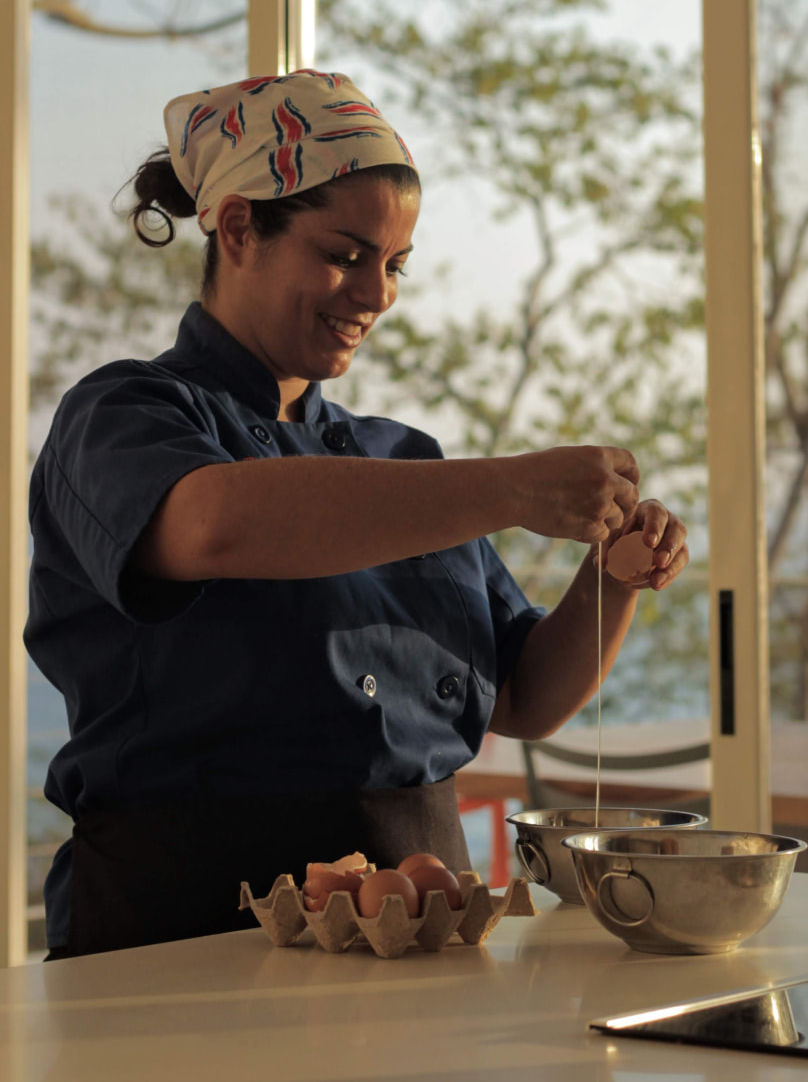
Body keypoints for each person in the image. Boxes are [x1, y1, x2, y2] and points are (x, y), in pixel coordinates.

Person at [25, 69, 690, 958]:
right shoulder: (123, 413)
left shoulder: (402, 459)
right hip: (181, 929)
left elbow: (527, 695)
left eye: (395, 265)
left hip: (425, 927)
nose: (376, 296)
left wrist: (609, 581)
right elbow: (215, 523)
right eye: (345, 254)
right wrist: (515, 488)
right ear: (235, 228)